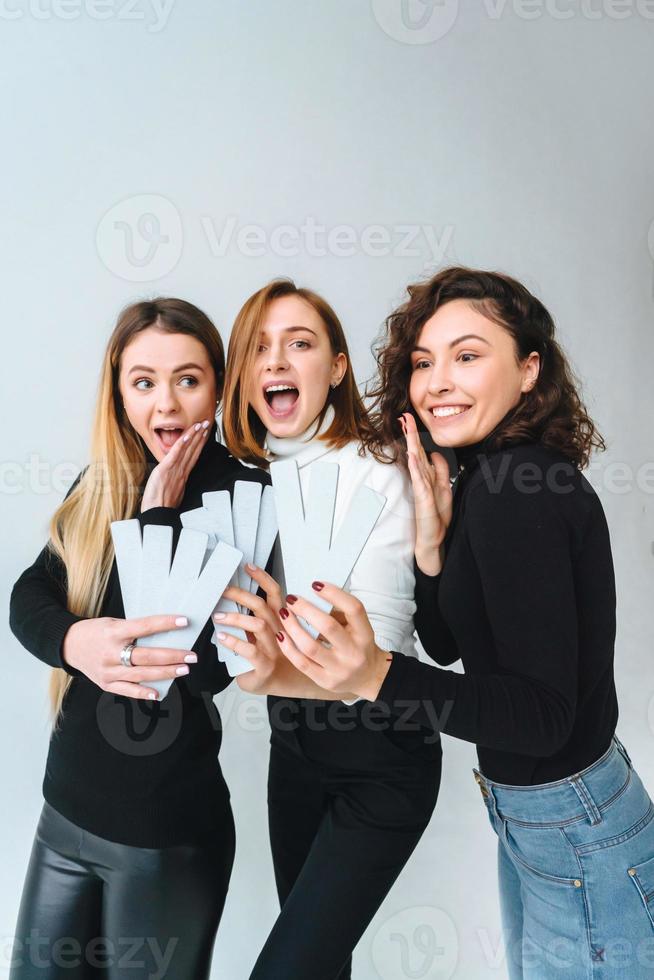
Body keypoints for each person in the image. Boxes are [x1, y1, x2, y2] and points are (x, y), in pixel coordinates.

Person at [277, 267, 654, 979]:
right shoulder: (491, 478)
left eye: (469, 355)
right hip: (551, 821)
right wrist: (430, 547)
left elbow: (540, 717)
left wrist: (376, 676)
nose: (438, 381)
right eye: (423, 362)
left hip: (577, 830)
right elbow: (454, 648)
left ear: (529, 370)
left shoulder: (519, 490)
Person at [8, 298, 269, 980]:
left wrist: (158, 514)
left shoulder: (243, 495)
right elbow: (27, 599)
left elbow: (205, 666)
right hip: (63, 815)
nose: (167, 405)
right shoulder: (104, 482)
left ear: (219, 383)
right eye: (143, 381)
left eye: (188, 379)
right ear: (118, 389)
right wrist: (77, 645)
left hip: (164, 837)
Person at [217, 279, 441, 980]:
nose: (276, 360)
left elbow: (372, 658)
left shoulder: (379, 469)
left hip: (381, 757)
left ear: (337, 368)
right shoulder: (253, 479)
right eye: (259, 348)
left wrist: (263, 675)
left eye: (300, 343)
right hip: (296, 756)